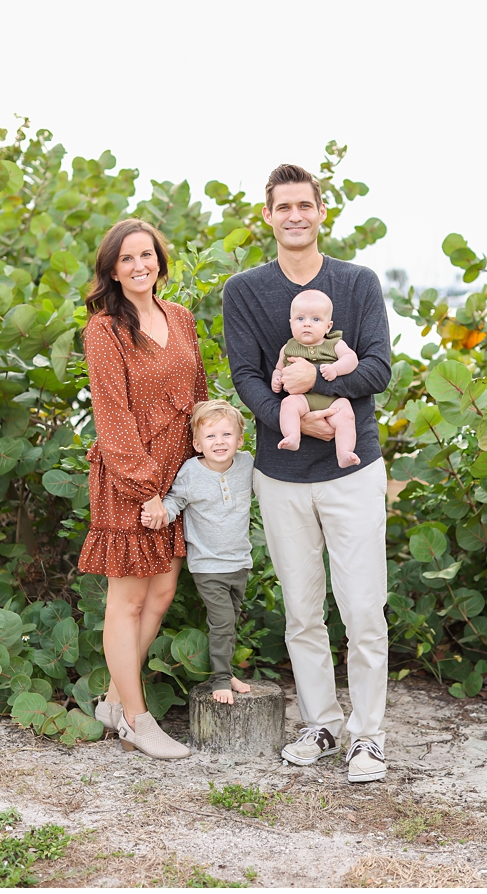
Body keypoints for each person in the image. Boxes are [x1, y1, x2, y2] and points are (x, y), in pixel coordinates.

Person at [223, 163, 391, 783]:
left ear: (321, 212)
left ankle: (368, 735)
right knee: (302, 610)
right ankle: (321, 722)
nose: (295, 216)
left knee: (364, 608)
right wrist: (290, 420)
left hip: (353, 472)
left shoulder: (358, 283)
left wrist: (318, 383)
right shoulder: (244, 290)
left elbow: (377, 369)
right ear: (267, 216)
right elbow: (245, 376)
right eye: (283, 206)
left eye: (305, 205)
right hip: (282, 472)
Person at [79, 218, 206, 760]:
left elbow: (198, 391)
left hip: (178, 479)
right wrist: (144, 490)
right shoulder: (104, 330)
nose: (139, 266)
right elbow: (113, 416)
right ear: (112, 268)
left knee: (162, 594)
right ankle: (136, 718)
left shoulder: (179, 317)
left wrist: (206, 464)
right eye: (127, 258)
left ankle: (112, 700)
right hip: (132, 479)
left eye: (147, 255)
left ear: (160, 261)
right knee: (127, 602)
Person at [146, 400, 254, 705]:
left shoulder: (247, 465)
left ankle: (226, 670)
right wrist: (160, 515)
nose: (219, 442)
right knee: (221, 621)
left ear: (240, 439)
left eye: (226, 435)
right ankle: (219, 679)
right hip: (208, 566)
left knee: (230, 622)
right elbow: (175, 501)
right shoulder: (191, 471)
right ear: (197, 443)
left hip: (240, 562)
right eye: (210, 437)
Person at [273, 288, 360, 468]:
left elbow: (351, 359)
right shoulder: (288, 347)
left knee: (346, 415)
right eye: (300, 319)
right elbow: (278, 368)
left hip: (332, 401)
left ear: (328, 326)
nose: (307, 324)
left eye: (315, 319)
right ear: (291, 324)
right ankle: (292, 436)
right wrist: (277, 378)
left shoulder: (334, 344)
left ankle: (344, 452)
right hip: (303, 400)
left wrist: (335, 369)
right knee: (287, 405)